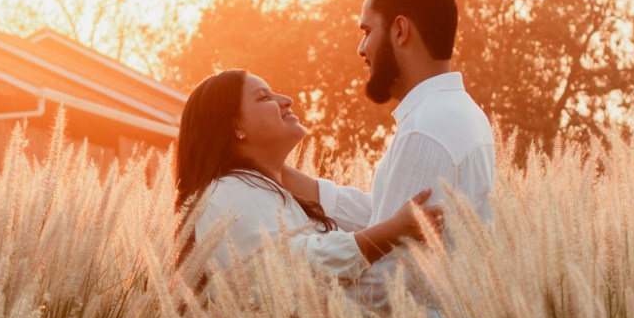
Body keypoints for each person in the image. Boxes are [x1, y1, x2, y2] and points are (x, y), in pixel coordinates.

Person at [277, 0, 495, 303]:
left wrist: (289, 296)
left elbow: (388, 278)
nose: (361, 48)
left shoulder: (428, 127)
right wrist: (281, 176)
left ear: (400, 30)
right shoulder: (452, 111)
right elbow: (388, 218)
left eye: (366, 31)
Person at [175, 68, 443, 286]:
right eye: (263, 97)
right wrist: (391, 233)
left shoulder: (262, 188)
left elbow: (377, 213)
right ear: (236, 126)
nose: (285, 100)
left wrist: (274, 169)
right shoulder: (229, 193)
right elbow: (300, 265)